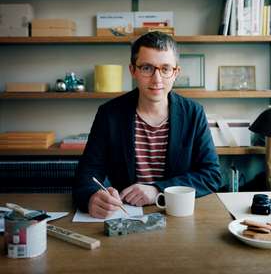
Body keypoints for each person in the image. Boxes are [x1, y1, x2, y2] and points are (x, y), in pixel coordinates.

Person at [73, 31, 222, 218]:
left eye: (165, 69)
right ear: (133, 70)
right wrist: (91, 197)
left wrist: (157, 189)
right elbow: (87, 174)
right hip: (125, 214)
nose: (157, 79)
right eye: (146, 68)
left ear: (176, 72)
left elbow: (212, 175)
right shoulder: (109, 114)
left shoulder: (193, 113)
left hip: (176, 214)